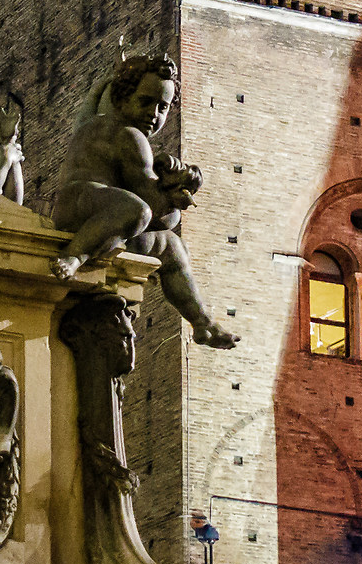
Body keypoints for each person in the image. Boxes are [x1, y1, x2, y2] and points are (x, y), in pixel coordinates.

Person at [49, 53, 237, 348]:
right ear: (122, 98)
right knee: (135, 211)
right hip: (81, 206)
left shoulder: (110, 127)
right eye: (146, 101)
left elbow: (158, 216)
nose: (155, 113)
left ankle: (203, 323)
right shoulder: (128, 136)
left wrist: (171, 193)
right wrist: (175, 194)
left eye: (163, 107)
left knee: (172, 247)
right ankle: (75, 256)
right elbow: (151, 207)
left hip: (105, 221)